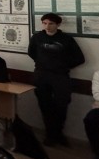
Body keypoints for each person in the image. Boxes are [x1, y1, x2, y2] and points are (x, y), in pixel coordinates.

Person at [28, 13, 85, 147]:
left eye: (51, 24)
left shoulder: (66, 39)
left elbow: (79, 58)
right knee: (45, 105)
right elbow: (31, 53)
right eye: (45, 23)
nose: (47, 26)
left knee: (61, 105)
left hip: (60, 76)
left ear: (58, 24)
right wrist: (43, 64)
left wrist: (61, 66)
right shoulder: (37, 37)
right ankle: (50, 135)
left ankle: (58, 134)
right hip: (41, 75)